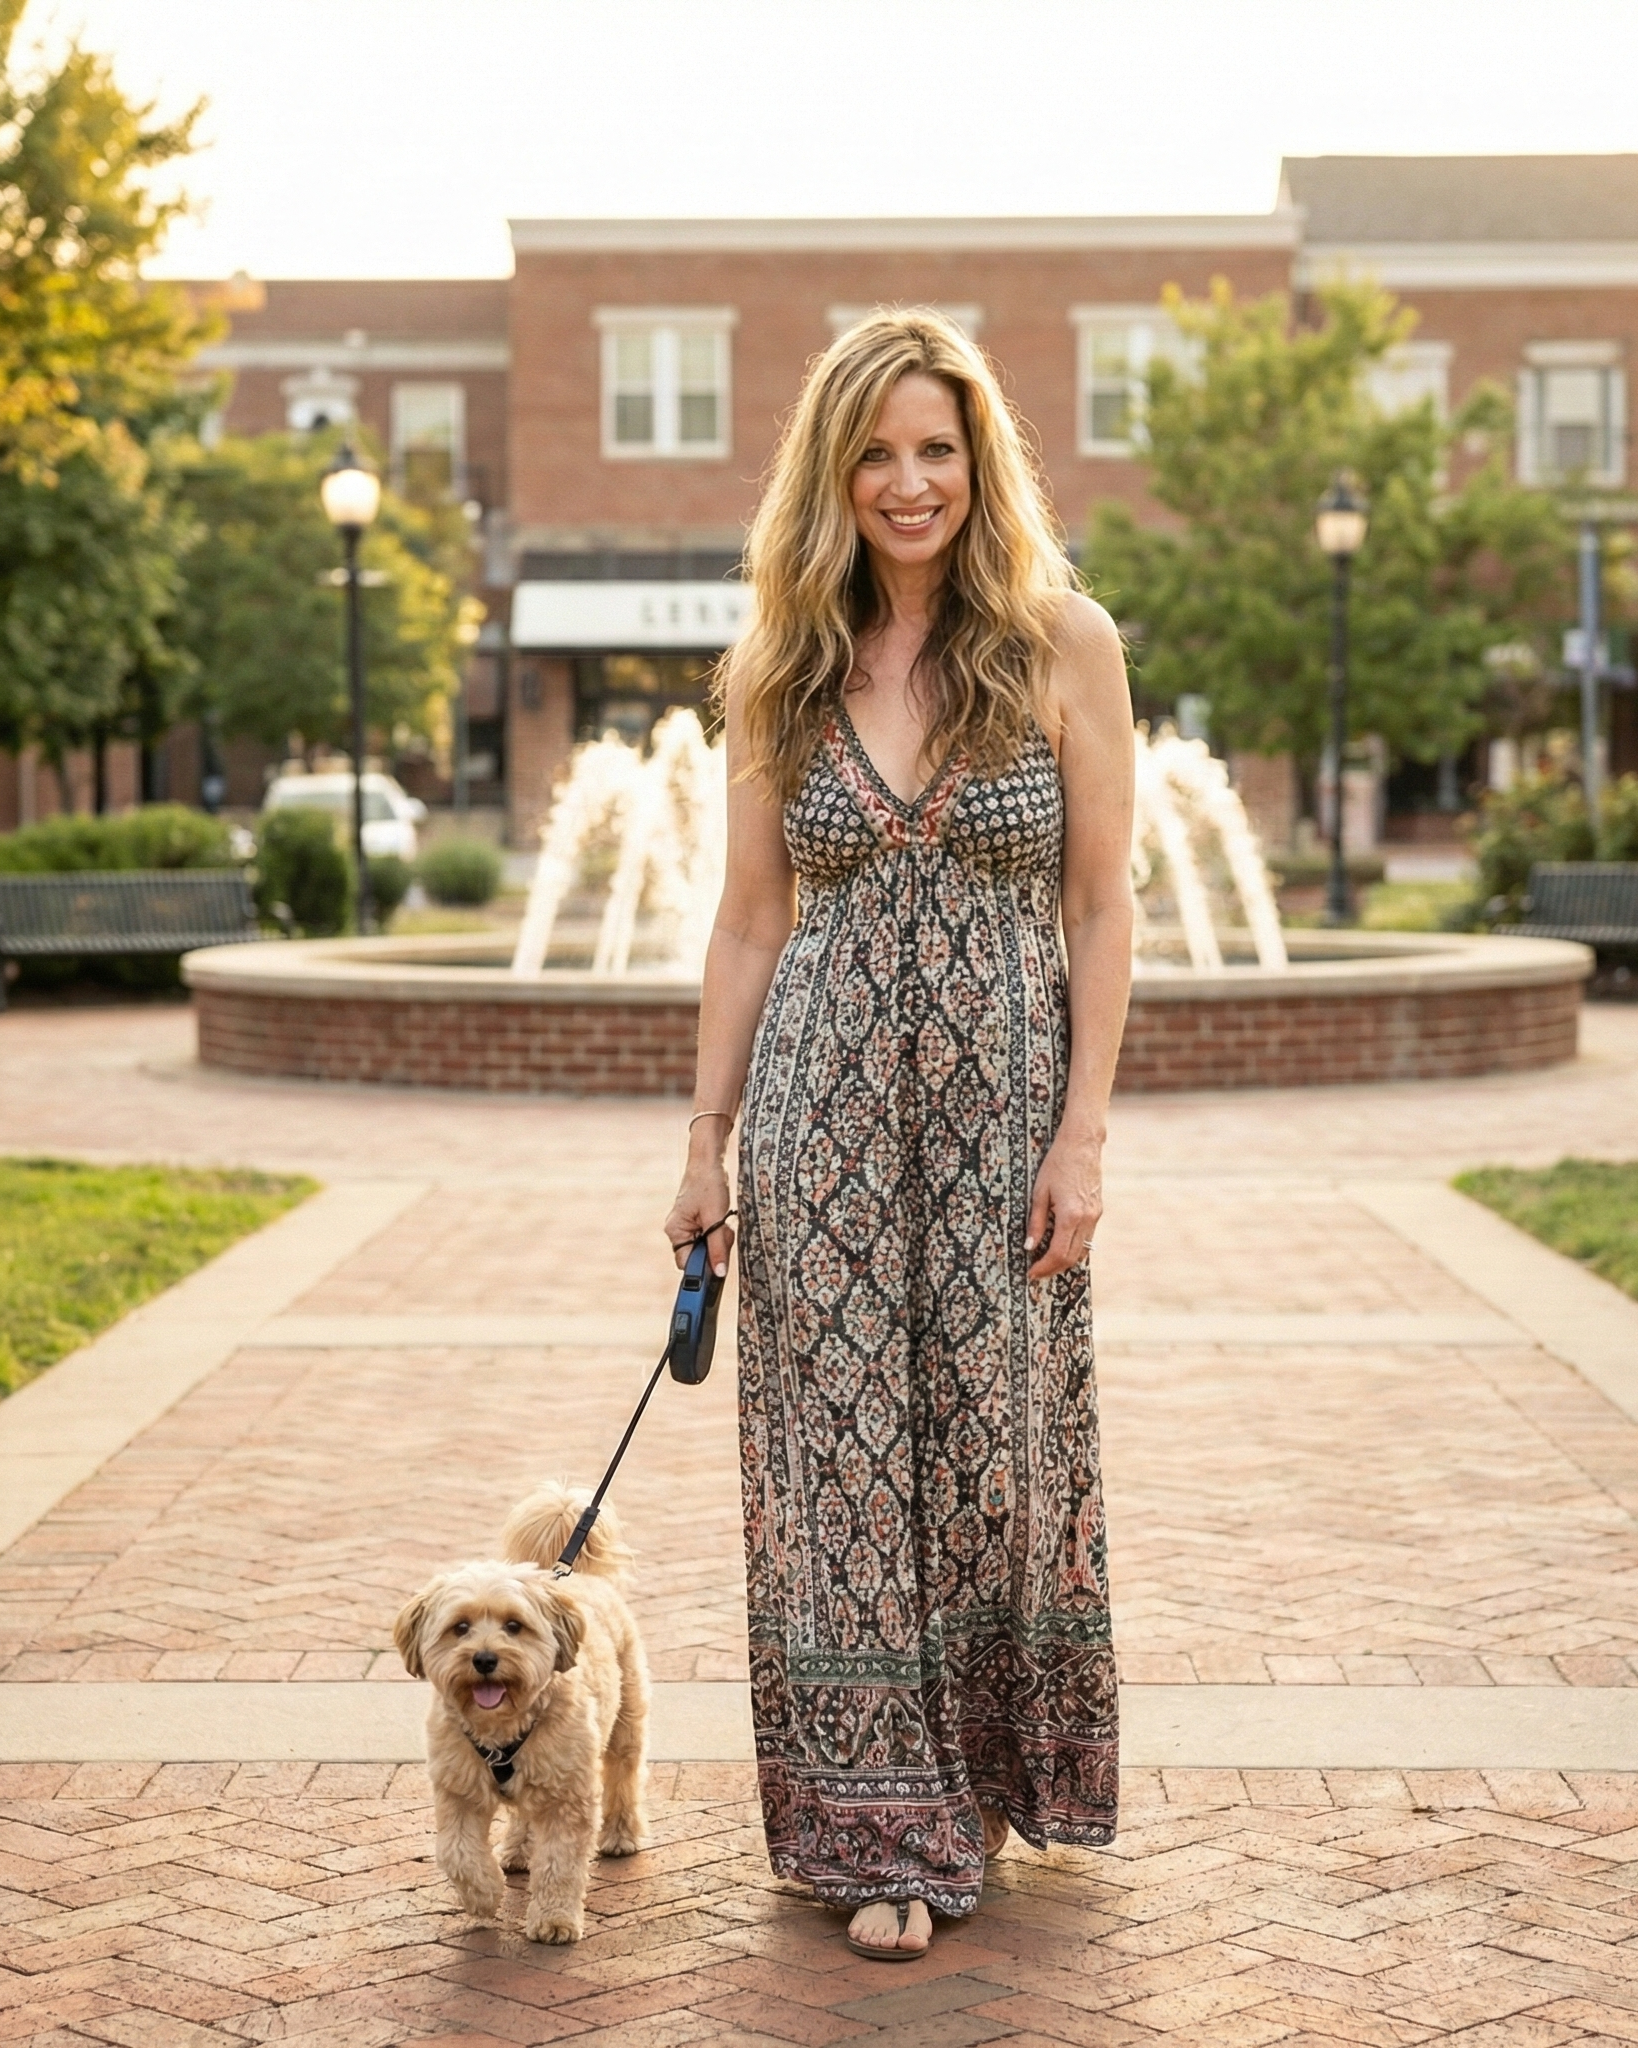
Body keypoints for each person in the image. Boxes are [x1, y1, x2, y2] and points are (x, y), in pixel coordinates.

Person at [665, 309, 1133, 1960]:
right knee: (848, 1474)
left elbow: (1098, 904)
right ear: (833, 475)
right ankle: (884, 1835)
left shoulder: (1062, 641)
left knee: (992, 1467)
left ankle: (989, 1783)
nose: (908, 480)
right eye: (875, 452)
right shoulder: (777, 669)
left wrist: (1083, 1135)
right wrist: (706, 1141)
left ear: (977, 459)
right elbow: (742, 924)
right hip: (821, 1121)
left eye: (936, 447)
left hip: (1007, 1116)